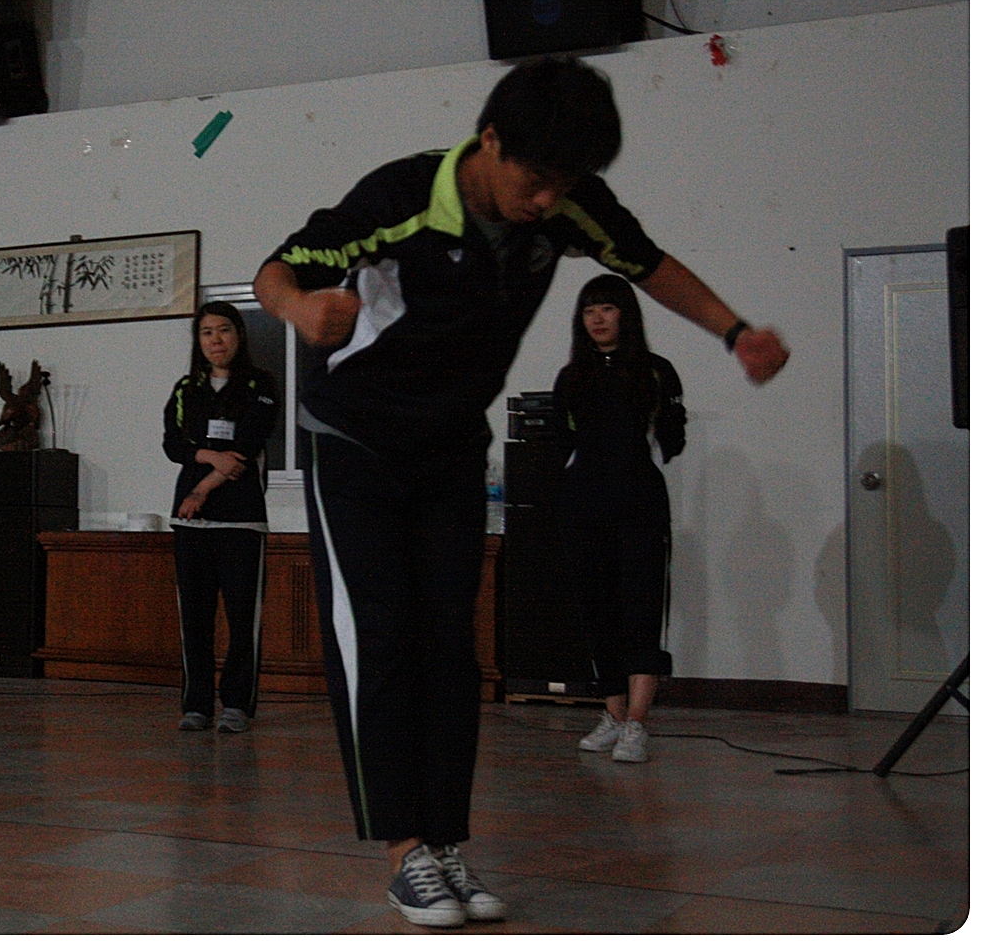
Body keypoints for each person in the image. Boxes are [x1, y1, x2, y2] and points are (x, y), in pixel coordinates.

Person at [254, 55, 788, 928]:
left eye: (564, 186)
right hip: (354, 443)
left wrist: (734, 332)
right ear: (490, 141)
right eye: (535, 180)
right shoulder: (399, 197)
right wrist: (299, 310)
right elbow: (278, 268)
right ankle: (403, 850)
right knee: (379, 637)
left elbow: (650, 265)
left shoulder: (569, 202)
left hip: (449, 447)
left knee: (450, 646)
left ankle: (444, 842)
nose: (547, 201)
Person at [553, 274, 685, 764]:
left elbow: (672, 440)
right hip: (584, 506)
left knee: (641, 608)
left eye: (607, 308)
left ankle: (637, 723)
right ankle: (612, 714)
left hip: (639, 504)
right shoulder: (571, 377)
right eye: (589, 310)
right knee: (597, 608)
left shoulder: (656, 371)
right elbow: (562, 444)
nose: (598, 319)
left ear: (625, 314)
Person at [161, 302, 279, 734]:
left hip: (241, 521)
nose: (216, 340)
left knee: (243, 618)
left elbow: (246, 447)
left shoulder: (259, 384)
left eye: (224, 330)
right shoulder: (185, 388)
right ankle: (196, 705)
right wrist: (209, 457)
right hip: (190, 523)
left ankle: (236, 705)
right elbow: (174, 443)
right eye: (207, 332)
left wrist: (203, 487)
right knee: (194, 618)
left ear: (238, 335)